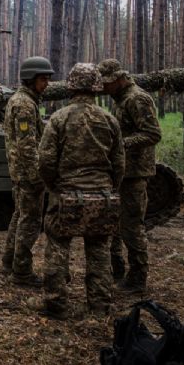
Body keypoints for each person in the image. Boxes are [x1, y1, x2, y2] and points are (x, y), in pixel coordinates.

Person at [30, 63, 125, 319]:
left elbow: (46, 161)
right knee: (99, 251)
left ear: (71, 86)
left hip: (67, 196)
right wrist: (109, 188)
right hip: (102, 196)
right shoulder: (109, 120)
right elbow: (119, 164)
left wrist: (54, 187)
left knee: (58, 249)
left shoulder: (59, 118)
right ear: (96, 86)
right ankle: (100, 307)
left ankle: (56, 304)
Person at [98, 58, 162, 294]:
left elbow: (152, 133)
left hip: (135, 173)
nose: (104, 87)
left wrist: (121, 144)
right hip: (124, 172)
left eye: (107, 83)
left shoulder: (137, 98)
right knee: (116, 223)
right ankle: (118, 269)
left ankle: (138, 278)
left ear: (118, 79)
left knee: (132, 226)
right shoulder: (122, 99)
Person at [1, 56, 54, 287]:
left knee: (19, 216)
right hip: (27, 173)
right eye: (43, 79)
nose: (47, 84)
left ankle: (8, 262)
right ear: (31, 79)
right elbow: (26, 144)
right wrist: (36, 175)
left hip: (21, 172)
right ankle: (21, 271)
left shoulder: (25, 100)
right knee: (30, 221)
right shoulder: (24, 104)